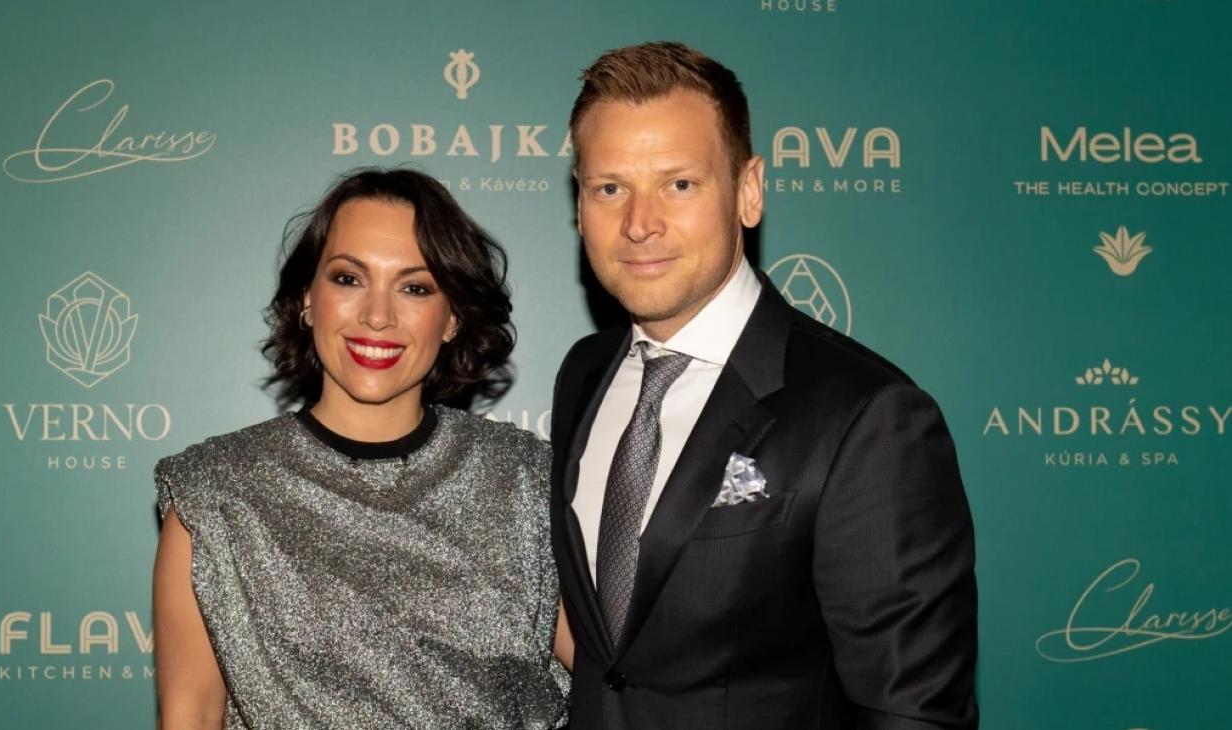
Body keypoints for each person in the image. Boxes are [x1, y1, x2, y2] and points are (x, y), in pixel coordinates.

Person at [549, 42, 978, 729]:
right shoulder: (584, 372)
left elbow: (911, 713)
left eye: (679, 184)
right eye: (610, 188)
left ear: (749, 191)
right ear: (579, 203)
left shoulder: (867, 415)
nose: (639, 223)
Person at [152, 168, 571, 729]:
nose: (377, 316)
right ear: (308, 299)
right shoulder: (217, 495)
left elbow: (621, 680)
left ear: (451, 318)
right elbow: (190, 717)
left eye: (414, 288)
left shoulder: (523, 480)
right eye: (349, 279)